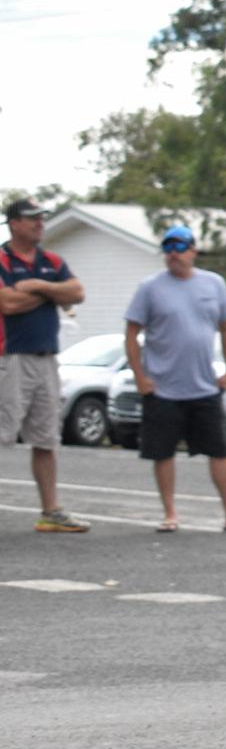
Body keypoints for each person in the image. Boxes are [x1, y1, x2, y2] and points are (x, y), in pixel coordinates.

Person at [122, 223, 226, 534]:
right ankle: (170, 513)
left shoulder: (214, 284)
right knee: (163, 452)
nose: (173, 254)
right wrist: (140, 376)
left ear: (193, 251)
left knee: (219, 450)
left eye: (179, 247)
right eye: (168, 248)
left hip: (204, 384)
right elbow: (131, 334)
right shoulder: (150, 288)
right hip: (163, 387)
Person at [0, 199, 89, 532]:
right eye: (31, 219)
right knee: (3, 431)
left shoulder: (51, 261)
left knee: (46, 438)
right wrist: (55, 294)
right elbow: (7, 303)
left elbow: (77, 292)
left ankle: (51, 511)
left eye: (41, 219)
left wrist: (38, 286)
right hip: (9, 359)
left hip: (46, 359)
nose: (40, 224)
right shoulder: (2, 259)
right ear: (13, 223)